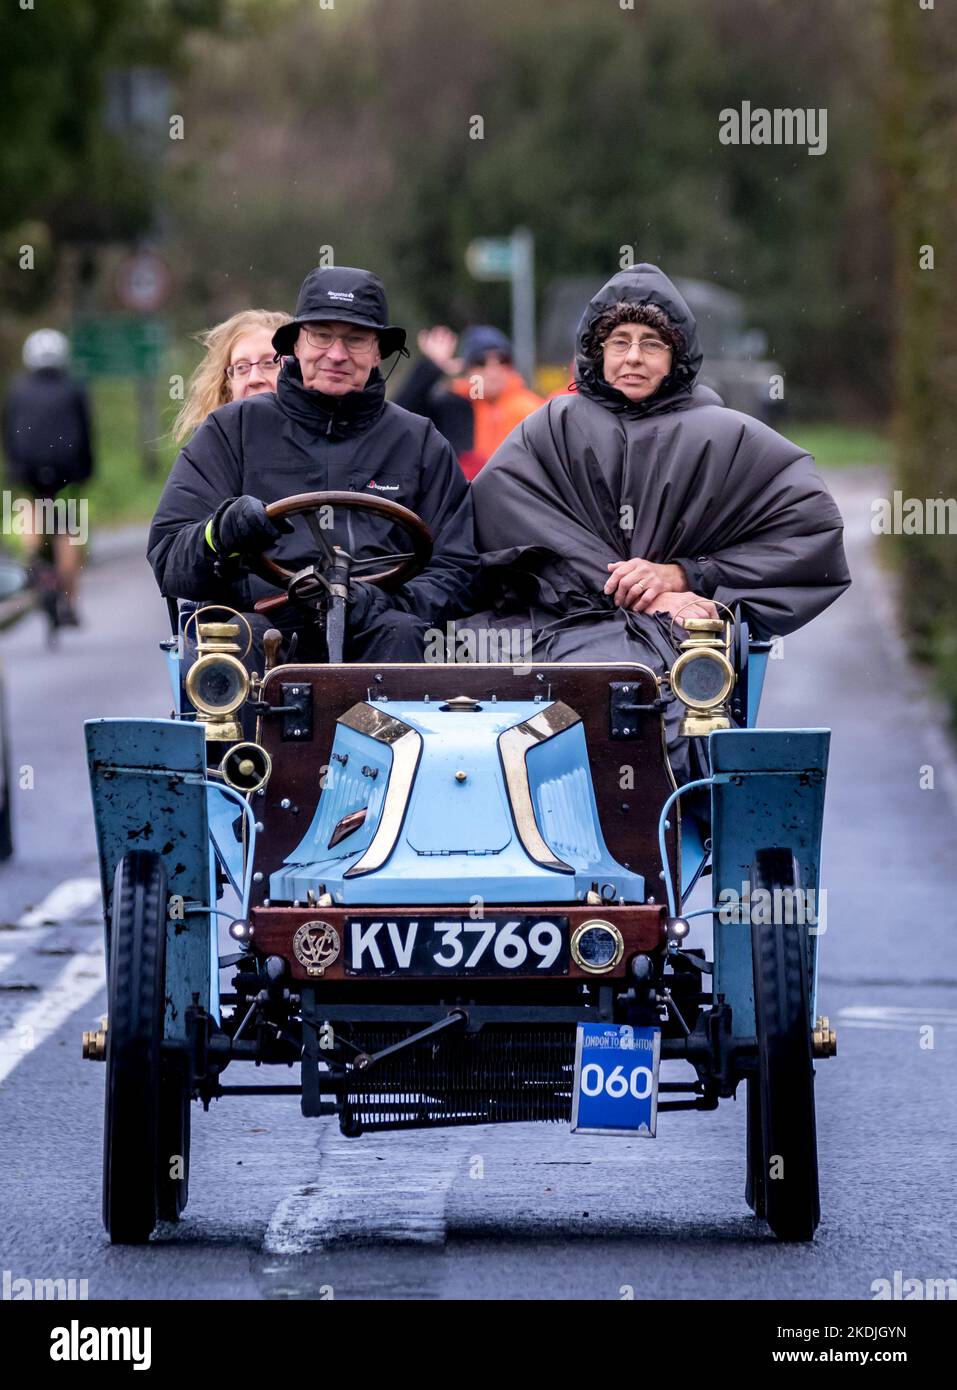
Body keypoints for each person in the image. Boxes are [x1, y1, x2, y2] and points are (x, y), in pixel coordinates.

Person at [469, 264, 851, 783]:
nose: (632, 357)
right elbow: (501, 513)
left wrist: (684, 576)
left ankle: (647, 833)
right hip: (557, 616)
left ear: (677, 357)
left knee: (648, 696)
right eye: (619, 340)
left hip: (671, 634)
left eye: (651, 343)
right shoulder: (549, 429)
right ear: (595, 350)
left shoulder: (726, 436)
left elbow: (809, 531)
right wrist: (629, 586)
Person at [148, 265, 479, 670]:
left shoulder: (420, 442)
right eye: (322, 335)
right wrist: (221, 533)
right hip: (262, 638)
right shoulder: (231, 429)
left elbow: (459, 569)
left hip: (380, 638)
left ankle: (385, 733)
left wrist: (383, 600)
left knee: (405, 633)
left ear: (378, 351)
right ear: (297, 345)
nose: (336, 354)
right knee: (236, 640)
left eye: (356, 339)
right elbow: (168, 558)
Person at [2, 329, 94, 626]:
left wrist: (13, 471)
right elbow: (86, 434)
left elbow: (9, 434)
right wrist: (86, 471)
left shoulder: (17, 390)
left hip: (27, 471)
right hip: (67, 474)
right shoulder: (75, 389)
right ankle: (68, 601)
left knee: (30, 507)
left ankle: (31, 556)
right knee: (67, 529)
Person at [394, 324, 543, 479]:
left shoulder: (532, 409)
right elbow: (398, 420)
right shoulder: (452, 407)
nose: (493, 370)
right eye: (481, 362)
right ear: (466, 368)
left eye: (503, 360)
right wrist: (431, 368)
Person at [171, 309, 292, 444]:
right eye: (241, 367)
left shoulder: (318, 442)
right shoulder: (207, 451)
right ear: (228, 387)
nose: (254, 378)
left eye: (269, 363)